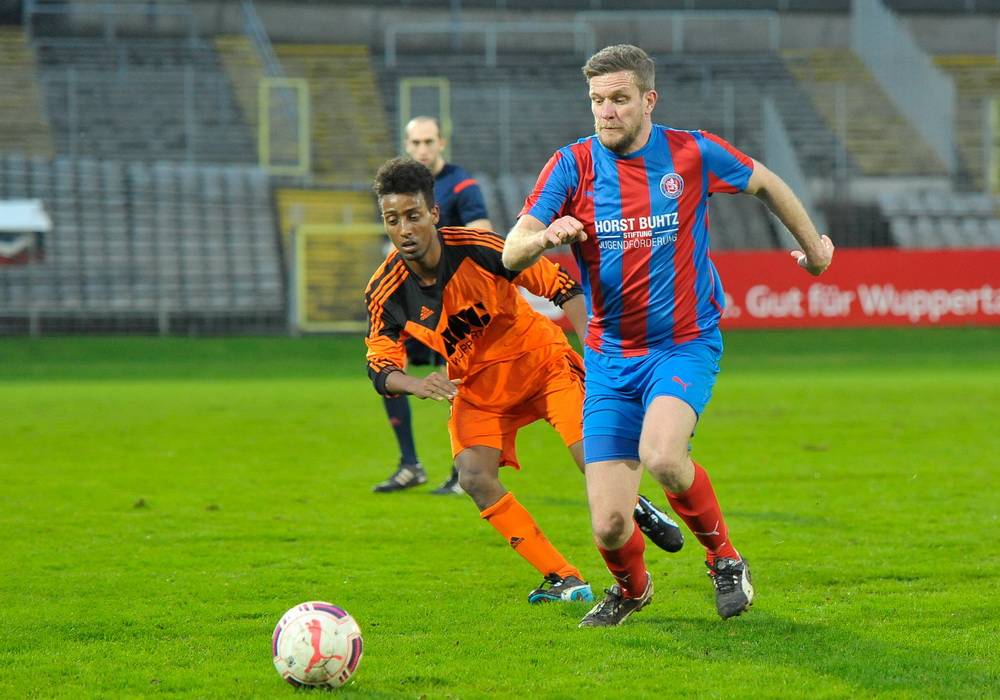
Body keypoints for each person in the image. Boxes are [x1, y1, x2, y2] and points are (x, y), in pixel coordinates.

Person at [502, 44, 835, 627]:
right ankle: (632, 589)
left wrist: (815, 252)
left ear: (648, 100)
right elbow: (511, 251)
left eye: (619, 99)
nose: (607, 112)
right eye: (597, 100)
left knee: (662, 456)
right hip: (609, 359)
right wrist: (544, 237)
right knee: (609, 525)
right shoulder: (571, 166)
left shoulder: (691, 152)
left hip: (683, 344)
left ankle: (724, 558)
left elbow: (767, 183)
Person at [365, 157, 685, 604]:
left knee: (591, 458)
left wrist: (595, 356)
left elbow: (560, 286)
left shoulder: (479, 247)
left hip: (542, 364)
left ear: (434, 214)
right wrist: (414, 384)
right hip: (478, 387)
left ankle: (636, 508)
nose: (404, 230)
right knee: (473, 476)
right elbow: (379, 365)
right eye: (392, 220)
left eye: (413, 216)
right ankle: (564, 577)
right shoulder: (386, 289)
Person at [373, 116, 492, 495]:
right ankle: (410, 464)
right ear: (407, 145)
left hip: (457, 305)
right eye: (416, 143)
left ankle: (463, 470)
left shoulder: (461, 185)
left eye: (429, 141)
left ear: (442, 142)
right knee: (390, 369)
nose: (422, 149)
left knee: (459, 381)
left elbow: (483, 233)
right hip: (416, 305)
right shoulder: (401, 189)